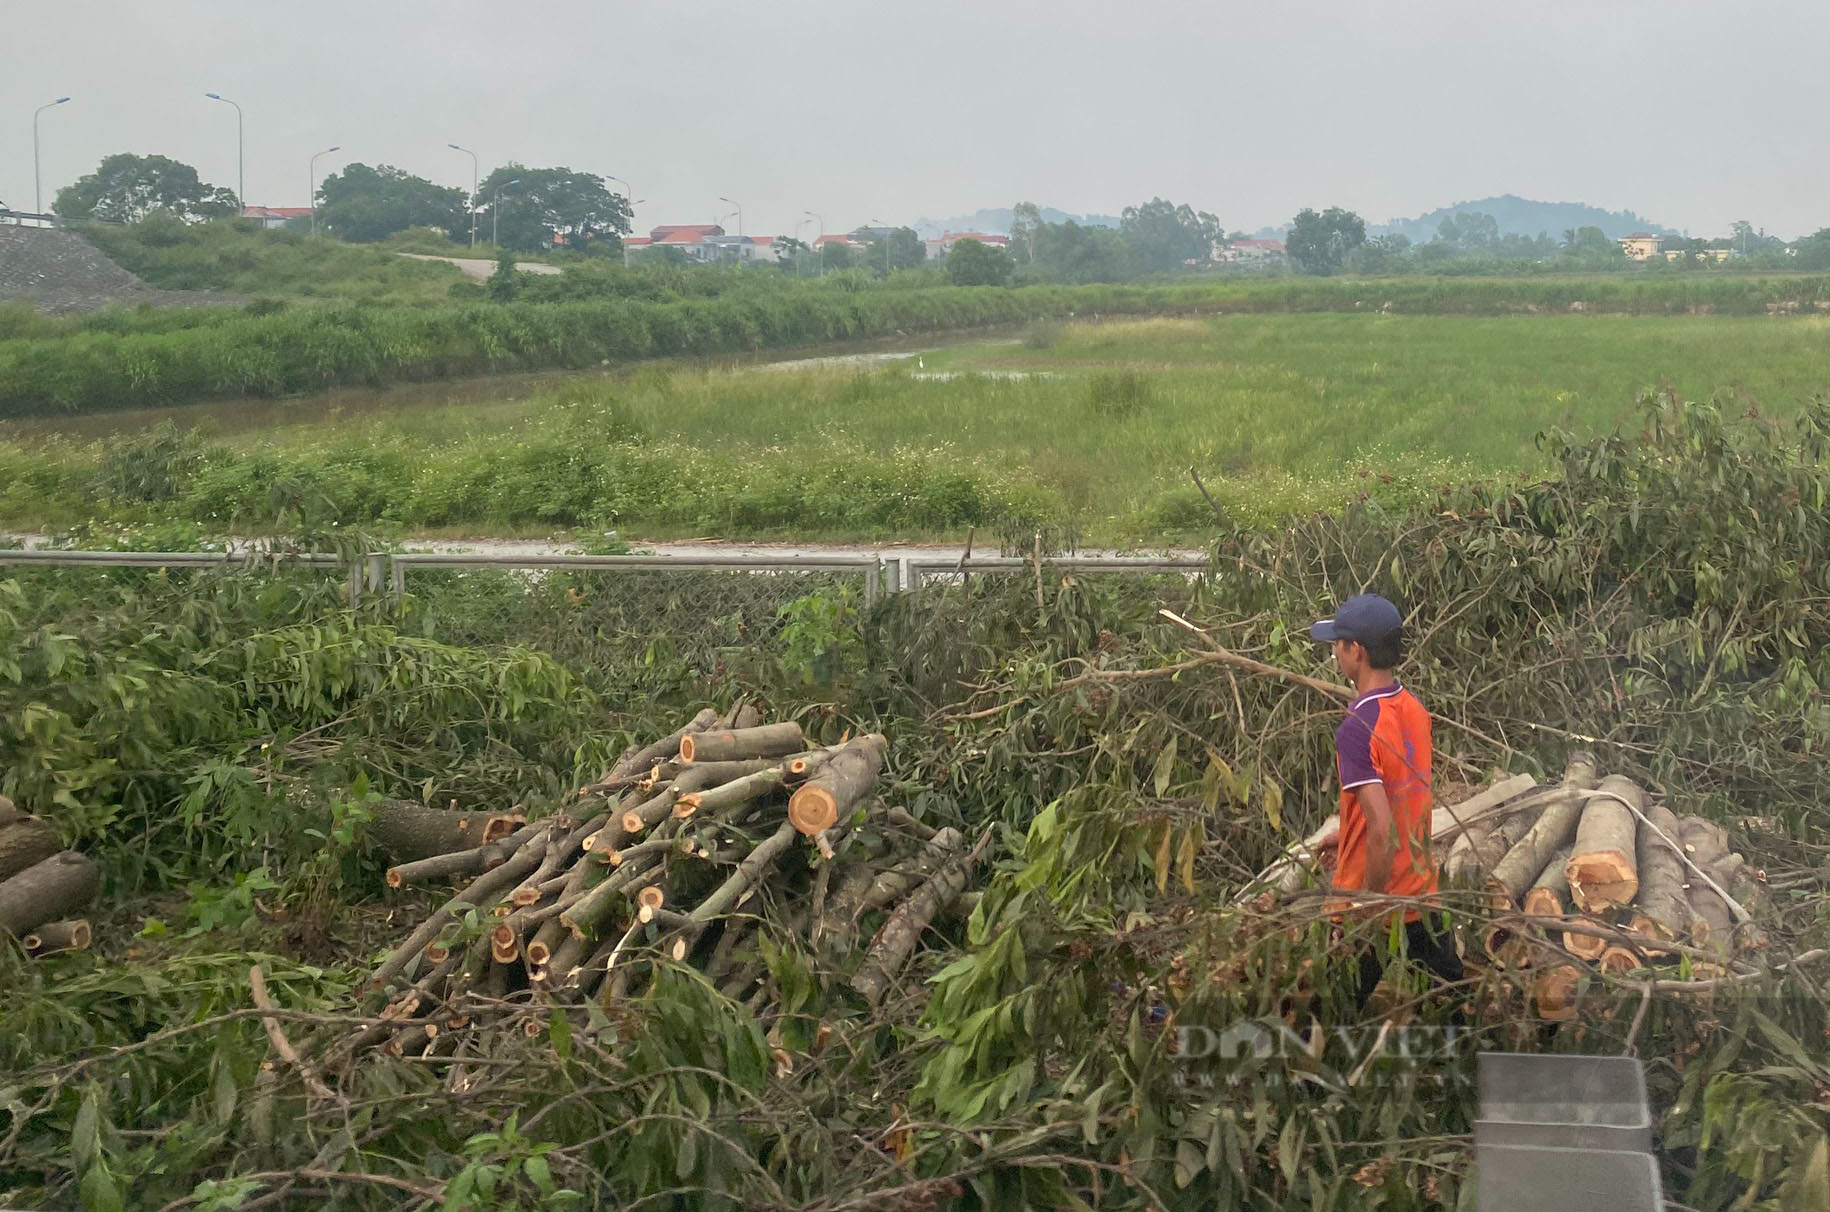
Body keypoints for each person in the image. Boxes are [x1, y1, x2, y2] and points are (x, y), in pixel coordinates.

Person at [1310, 593, 1464, 1009]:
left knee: (1326, 1019)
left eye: (1337, 643)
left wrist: (1365, 912)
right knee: (1453, 1012)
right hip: (1421, 898)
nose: (1334, 652)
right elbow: (1402, 799)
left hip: (1372, 901)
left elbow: (1382, 828)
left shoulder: (1357, 726)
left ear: (1355, 651)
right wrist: (1347, 835)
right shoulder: (1413, 709)